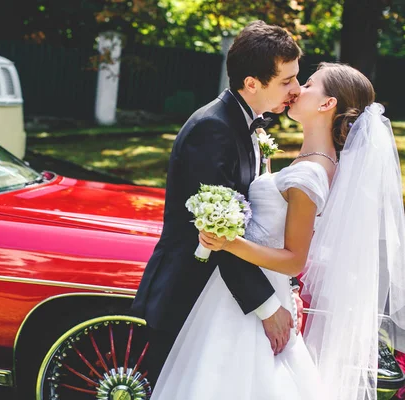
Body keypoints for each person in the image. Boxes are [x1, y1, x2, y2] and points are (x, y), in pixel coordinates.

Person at [161, 62, 405, 400]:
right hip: (255, 287)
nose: (296, 90)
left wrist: (227, 242)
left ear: (326, 104)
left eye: (308, 84)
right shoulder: (315, 162)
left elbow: (294, 260)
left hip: (251, 296)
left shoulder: (311, 175)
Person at [130, 20, 302, 389]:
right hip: (188, 295)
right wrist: (268, 307)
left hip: (223, 297)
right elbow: (216, 234)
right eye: (287, 81)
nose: (296, 89)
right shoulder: (213, 129)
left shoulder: (249, 124)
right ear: (252, 83)